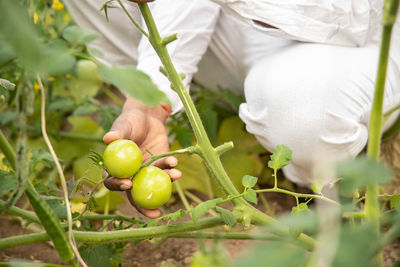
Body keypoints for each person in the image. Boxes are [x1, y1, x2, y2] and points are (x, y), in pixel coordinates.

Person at [64, 0, 400, 217]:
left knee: (301, 112)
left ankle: (329, 176)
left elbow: (359, 17)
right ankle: (234, 105)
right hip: (250, 24)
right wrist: (150, 98)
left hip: (365, 40)